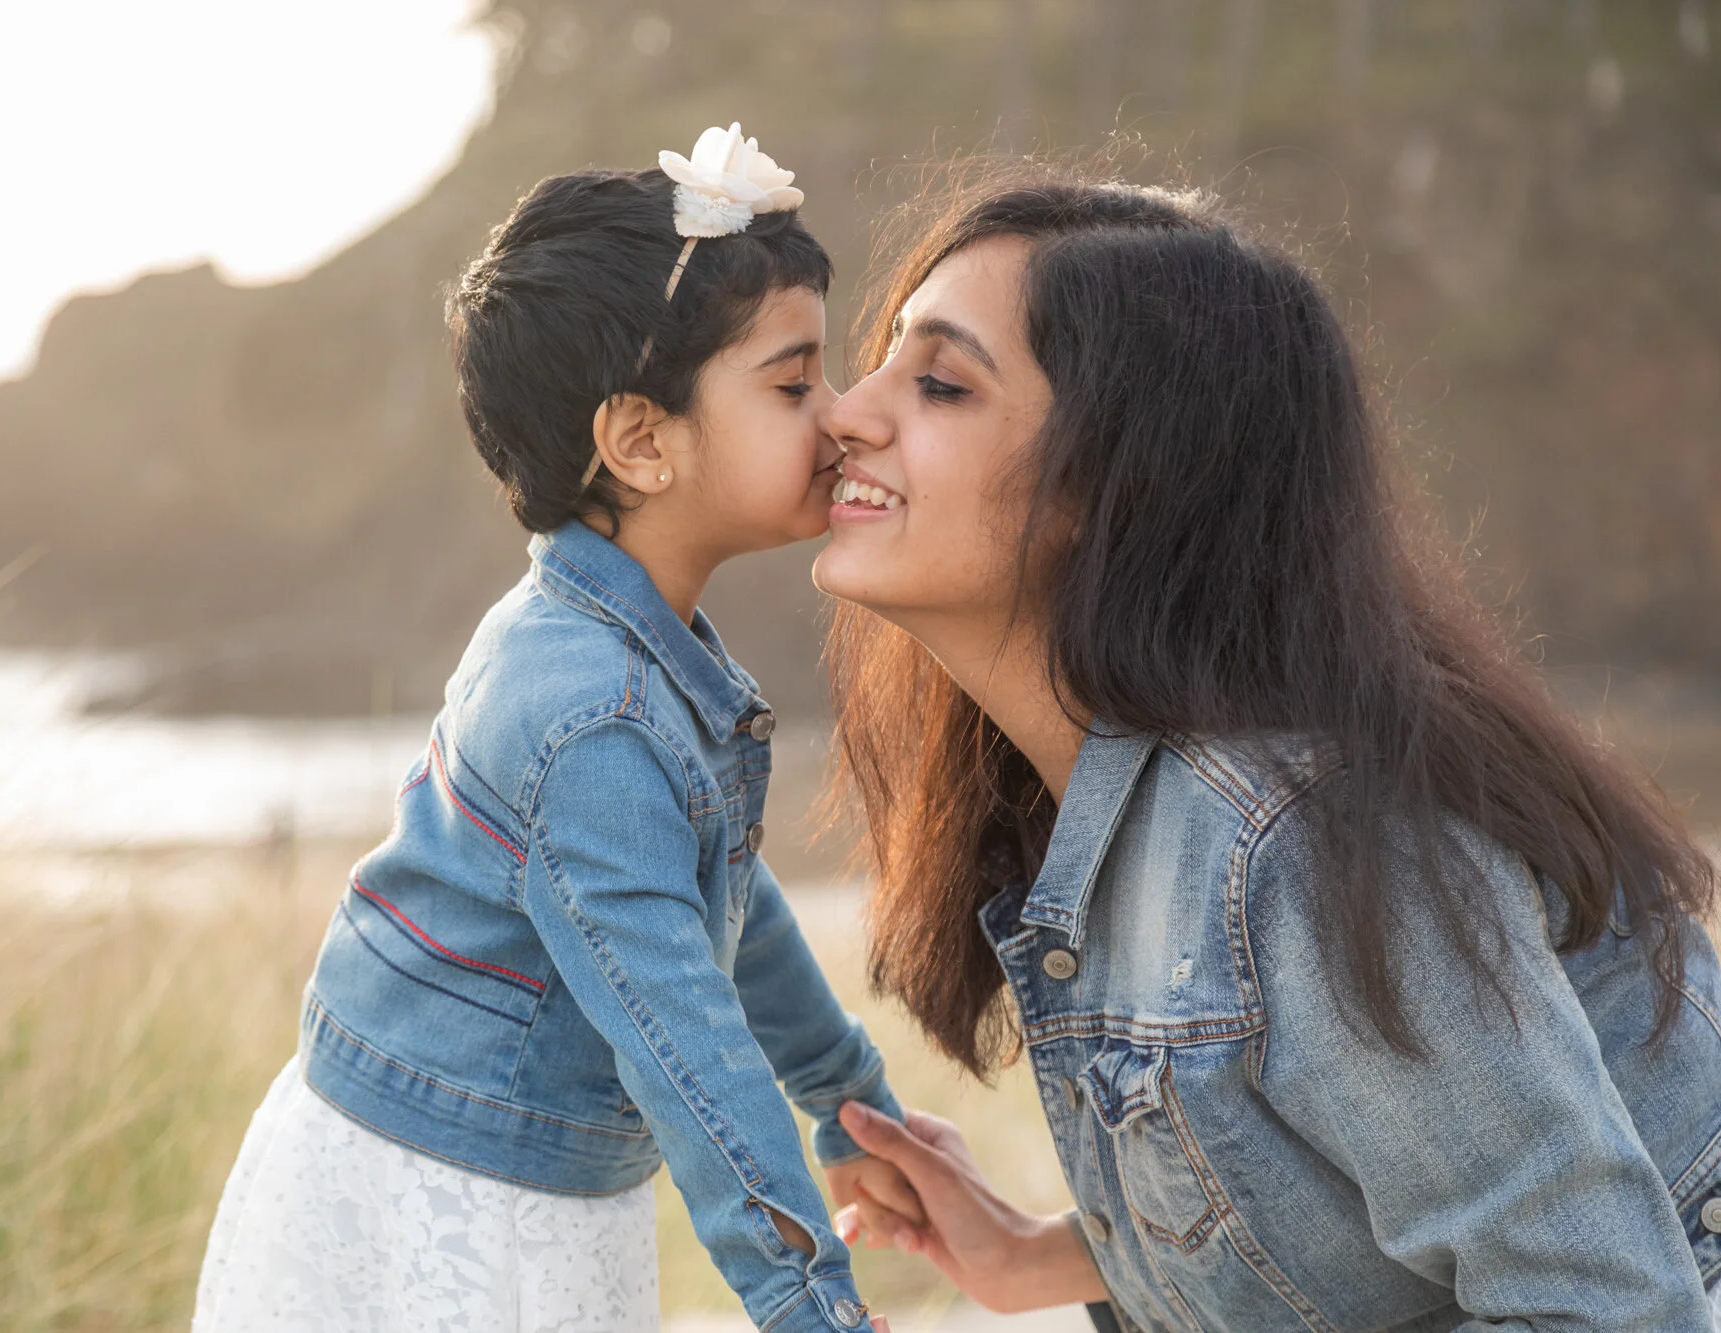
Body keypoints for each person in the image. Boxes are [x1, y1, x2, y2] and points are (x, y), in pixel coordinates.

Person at [813, 167, 1721, 1330]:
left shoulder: (1296, 844)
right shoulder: (1111, 817)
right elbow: (1350, 1209)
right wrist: (1041, 1258)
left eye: (937, 382)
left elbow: (1602, 1308)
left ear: (1111, 485)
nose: (846, 409)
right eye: (882, 357)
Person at [192, 125, 914, 1333]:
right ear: (638, 440)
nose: (839, 416)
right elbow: (684, 1046)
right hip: (448, 1209)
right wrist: (809, 1307)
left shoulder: (627, 646)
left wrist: (843, 1095)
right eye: (793, 384)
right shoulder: (593, 715)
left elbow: (717, 901)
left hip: (486, 1171)